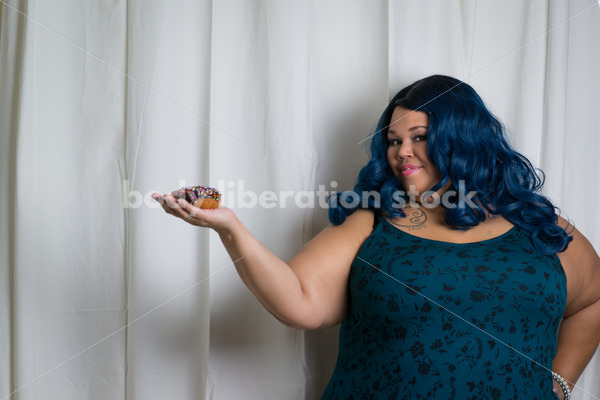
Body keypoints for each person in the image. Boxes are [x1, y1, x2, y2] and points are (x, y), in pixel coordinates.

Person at [152, 75, 600, 400]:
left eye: (419, 137)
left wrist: (560, 383)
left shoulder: (541, 228)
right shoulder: (372, 220)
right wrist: (232, 228)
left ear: (464, 139)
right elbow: (300, 301)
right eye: (393, 140)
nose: (401, 151)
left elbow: (593, 301)